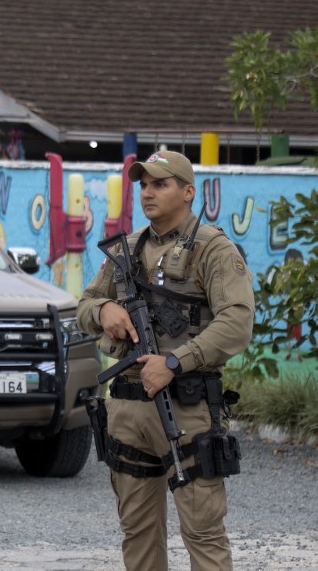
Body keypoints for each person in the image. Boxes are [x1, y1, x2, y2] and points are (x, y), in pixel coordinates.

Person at [77, 150, 255, 571]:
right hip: (128, 407)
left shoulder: (212, 248)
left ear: (188, 191)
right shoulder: (128, 249)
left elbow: (237, 322)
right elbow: (84, 305)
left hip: (186, 408)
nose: (147, 193)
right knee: (137, 534)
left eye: (160, 184)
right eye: (143, 185)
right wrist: (105, 312)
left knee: (204, 535)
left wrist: (175, 362)